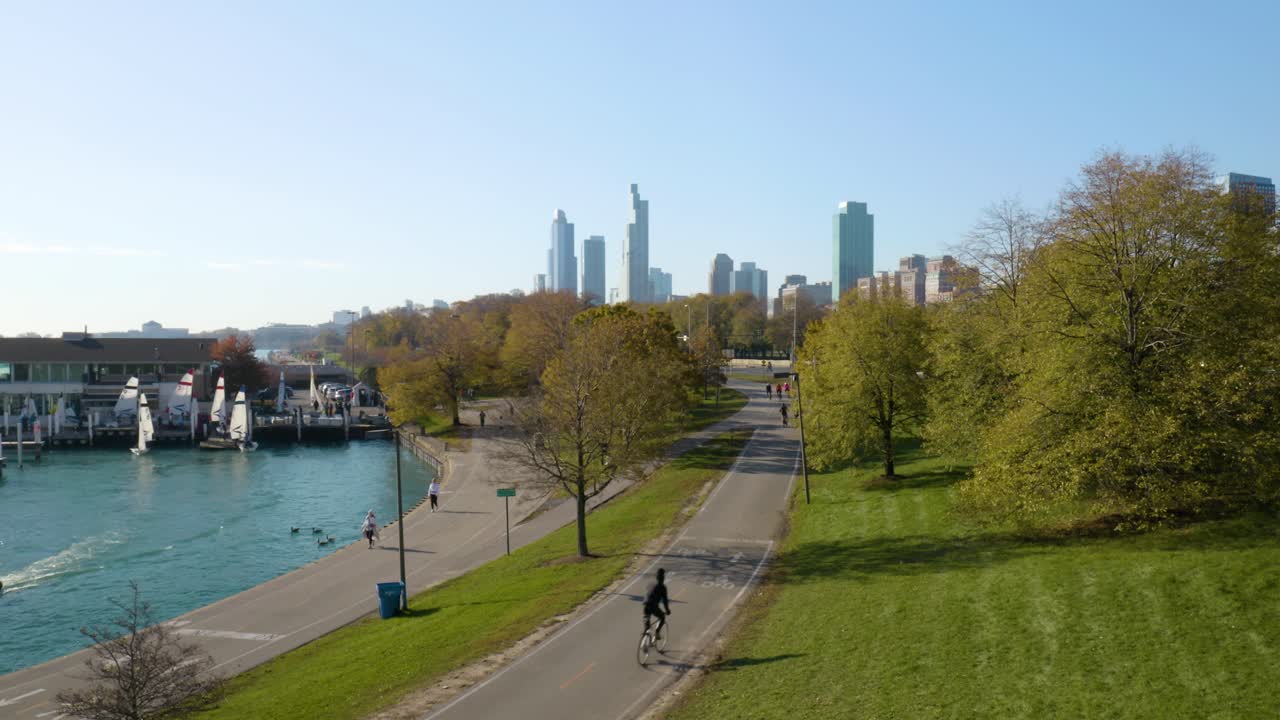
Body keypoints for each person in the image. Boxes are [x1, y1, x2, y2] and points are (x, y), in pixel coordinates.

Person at [643, 568, 672, 643]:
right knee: (662, 617)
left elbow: (647, 593)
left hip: (646, 604)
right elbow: (665, 601)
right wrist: (667, 610)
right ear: (663, 578)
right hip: (653, 606)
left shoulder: (651, 584)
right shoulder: (663, 587)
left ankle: (646, 633)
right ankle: (657, 632)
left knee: (647, 620)